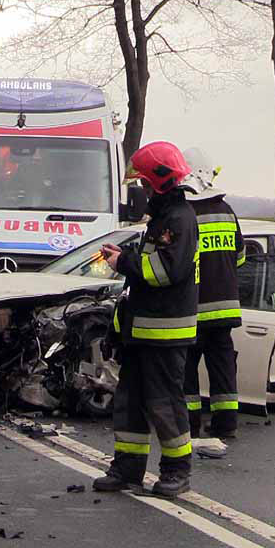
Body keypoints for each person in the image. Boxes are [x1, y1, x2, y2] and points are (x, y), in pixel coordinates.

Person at [95, 141, 199, 497]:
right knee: (130, 401)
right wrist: (127, 256)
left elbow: (164, 272)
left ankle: (176, 472)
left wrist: (123, 262)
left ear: (157, 181)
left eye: (141, 181)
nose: (138, 188)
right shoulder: (162, 219)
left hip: (165, 334)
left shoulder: (179, 220)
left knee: (165, 403)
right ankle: (127, 468)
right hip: (143, 332)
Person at [182, 148, 245, 440]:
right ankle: (226, 424)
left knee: (187, 370)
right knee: (222, 370)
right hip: (226, 309)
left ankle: (190, 425)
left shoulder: (186, 214)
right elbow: (241, 256)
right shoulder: (228, 212)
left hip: (193, 308)